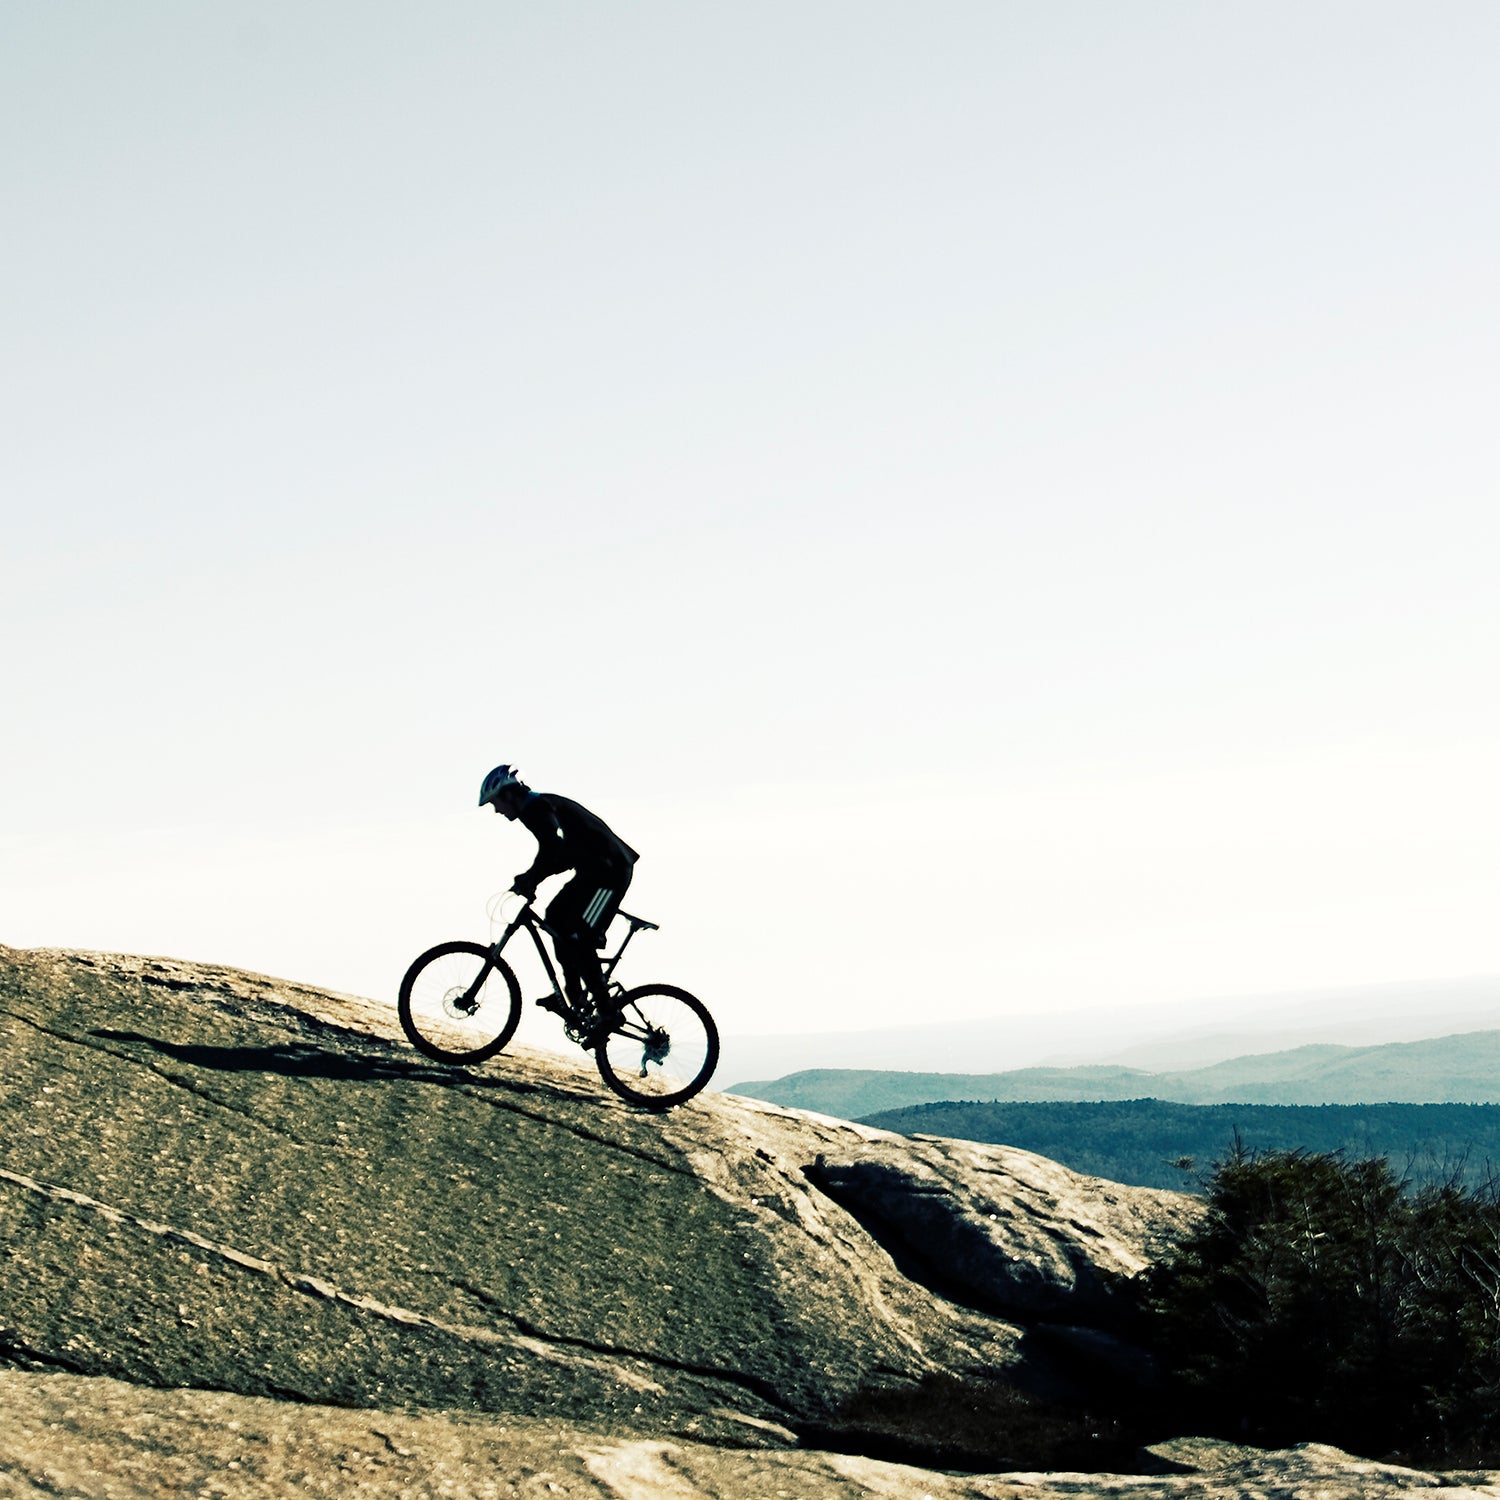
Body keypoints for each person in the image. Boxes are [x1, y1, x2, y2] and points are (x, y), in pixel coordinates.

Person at [477, 764, 638, 1016]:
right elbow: (558, 853)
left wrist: (532, 878)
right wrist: (532, 877)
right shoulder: (537, 807)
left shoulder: (536, 808)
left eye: (495, 802)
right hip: (593, 872)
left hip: (610, 874)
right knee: (554, 919)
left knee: (581, 936)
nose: (496, 810)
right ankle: (573, 995)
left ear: (509, 794)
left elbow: (555, 849)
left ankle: (606, 1009)